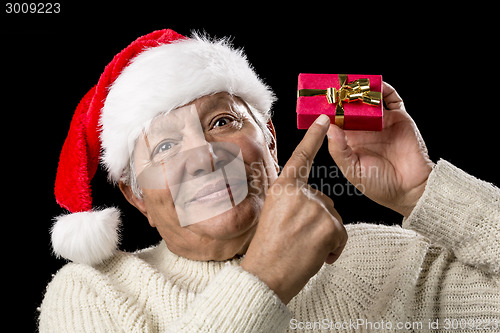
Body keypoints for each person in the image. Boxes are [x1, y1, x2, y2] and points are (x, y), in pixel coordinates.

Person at [39, 29, 500, 332]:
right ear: (136, 198)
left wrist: (425, 192)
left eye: (222, 122)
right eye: (163, 148)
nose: (204, 158)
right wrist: (265, 279)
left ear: (271, 140)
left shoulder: (397, 261)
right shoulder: (92, 293)